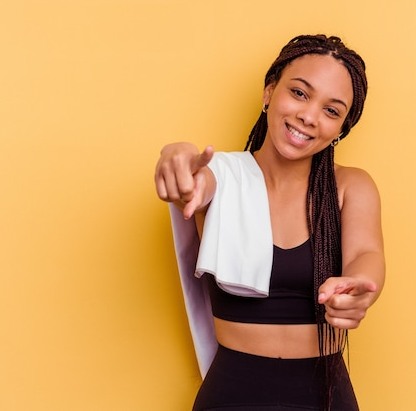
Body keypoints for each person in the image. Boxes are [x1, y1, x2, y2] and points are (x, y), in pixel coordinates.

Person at [155, 34, 385, 411]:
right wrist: (175, 156)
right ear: (269, 92)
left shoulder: (351, 186)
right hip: (231, 395)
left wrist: (360, 288)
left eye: (332, 110)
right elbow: (197, 180)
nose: (309, 116)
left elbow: (366, 254)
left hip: (325, 396)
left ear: (341, 130)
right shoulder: (221, 176)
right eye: (299, 93)